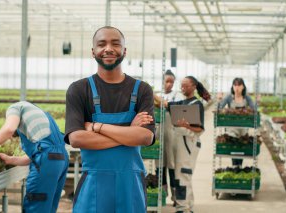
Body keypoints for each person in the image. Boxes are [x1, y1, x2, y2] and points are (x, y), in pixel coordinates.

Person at [64, 26, 155, 213]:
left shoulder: (142, 90)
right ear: (93, 51)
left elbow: (145, 137)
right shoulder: (79, 89)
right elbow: (76, 139)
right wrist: (129, 131)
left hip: (131, 186)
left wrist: (97, 126)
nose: (108, 48)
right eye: (101, 44)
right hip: (93, 186)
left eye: (115, 44)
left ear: (124, 51)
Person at [0, 101, 68, 213]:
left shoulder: (15, 108)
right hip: (61, 160)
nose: (13, 136)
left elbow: (9, 129)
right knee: (47, 207)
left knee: (35, 205)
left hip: (48, 162)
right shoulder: (38, 116)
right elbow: (44, 155)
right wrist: (11, 159)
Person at [168, 76, 210, 213]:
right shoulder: (182, 103)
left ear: (193, 87)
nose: (182, 88)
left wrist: (187, 126)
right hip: (181, 143)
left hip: (189, 143)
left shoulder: (196, 105)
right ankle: (188, 207)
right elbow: (164, 104)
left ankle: (182, 208)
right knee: (184, 175)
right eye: (181, 85)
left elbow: (200, 129)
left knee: (182, 175)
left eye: (185, 85)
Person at [153, 69, 179, 204]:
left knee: (172, 165)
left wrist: (158, 100)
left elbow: (172, 108)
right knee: (160, 166)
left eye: (172, 82)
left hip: (171, 135)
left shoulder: (176, 96)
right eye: (167, 81)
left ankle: (175, 197)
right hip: (159, 135)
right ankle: (162, 195)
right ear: (162, 81)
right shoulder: (157, 95)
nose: (169, 84)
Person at [218, 77, 255, 167]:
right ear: (232, 87)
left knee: (241, 148)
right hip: (232, 128)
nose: (237, 87)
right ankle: (235, 166)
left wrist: (257, 102)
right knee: (233, 147)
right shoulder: (229, 97)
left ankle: (239, 167)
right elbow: (219, 108)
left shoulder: (247, 98)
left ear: (243, 87)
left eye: (239, 85)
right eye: (235, 85)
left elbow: (254, 109)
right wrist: (219, 99)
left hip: (243, 128)